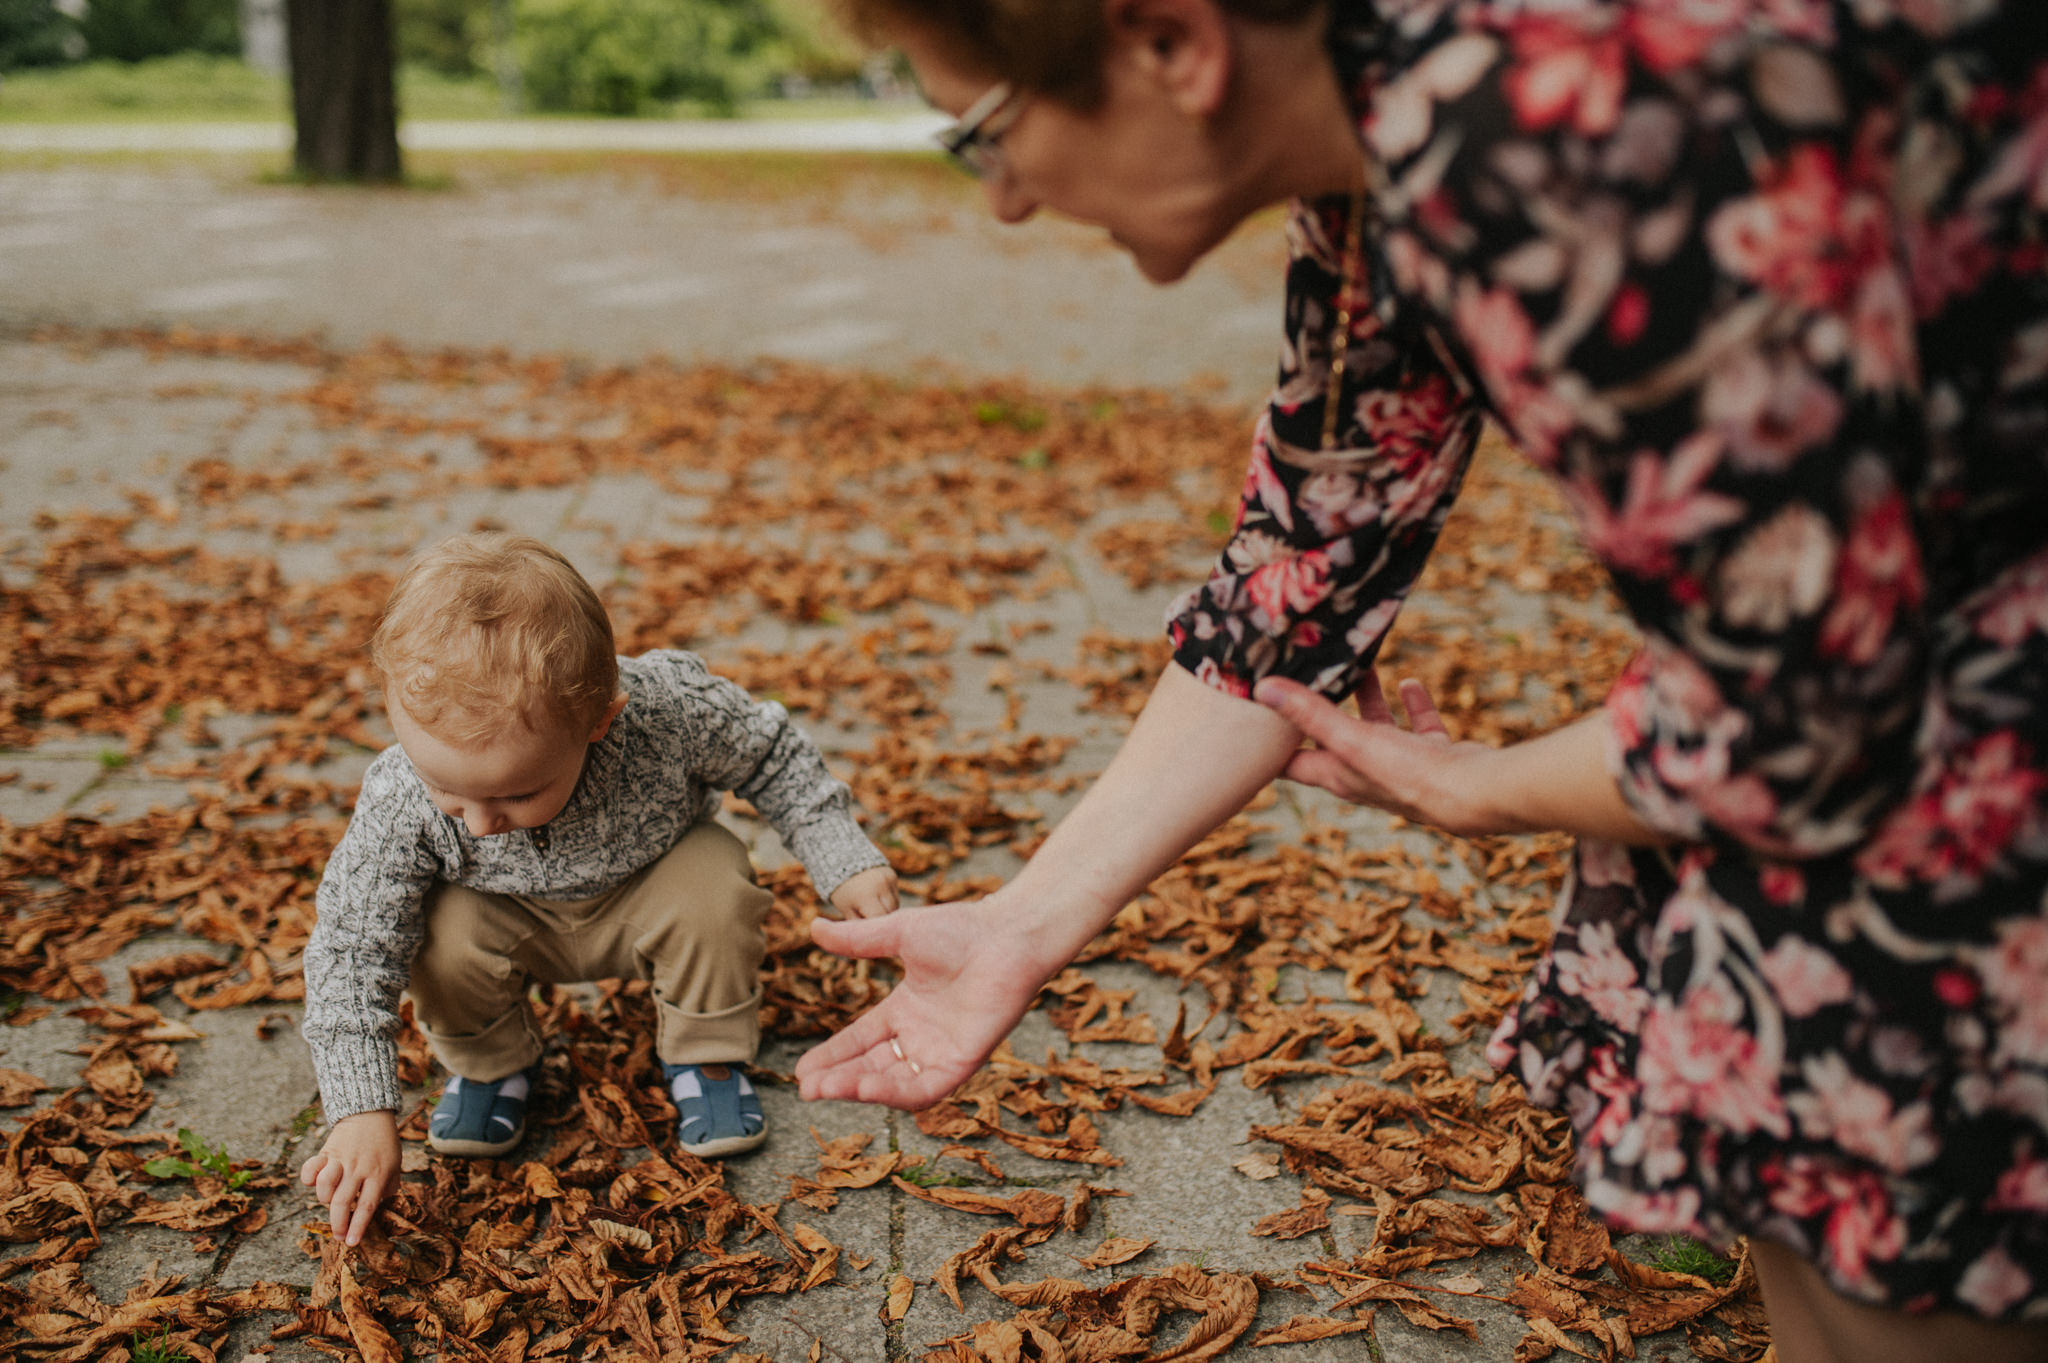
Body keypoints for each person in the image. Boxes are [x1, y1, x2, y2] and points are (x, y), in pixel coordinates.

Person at [791, 2, 2048, 1359]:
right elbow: (1297, 575)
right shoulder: (1381, 153)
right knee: (1796, 1225)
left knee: (1892, 1267)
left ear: (1172, 45)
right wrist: (1020, 925)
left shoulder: (1564, 134)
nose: (1011, 203)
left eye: (984, 137)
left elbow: (1794, 724)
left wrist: (1484, 787)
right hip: (1856, 713)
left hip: (1956, 752)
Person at [300, 532, 899, 1246]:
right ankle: (491, 1064)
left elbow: (770, 753)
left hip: (648, 886)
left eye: (519, 793)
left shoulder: (665, 712)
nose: (484, 823)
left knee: (715, 877)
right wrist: (360, 1107)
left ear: (598, 721)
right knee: (437, 930)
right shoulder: (402, 795)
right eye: (449, 793)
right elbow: (351, 945)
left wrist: (841, 855)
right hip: (502, 914)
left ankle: (705, 1050)